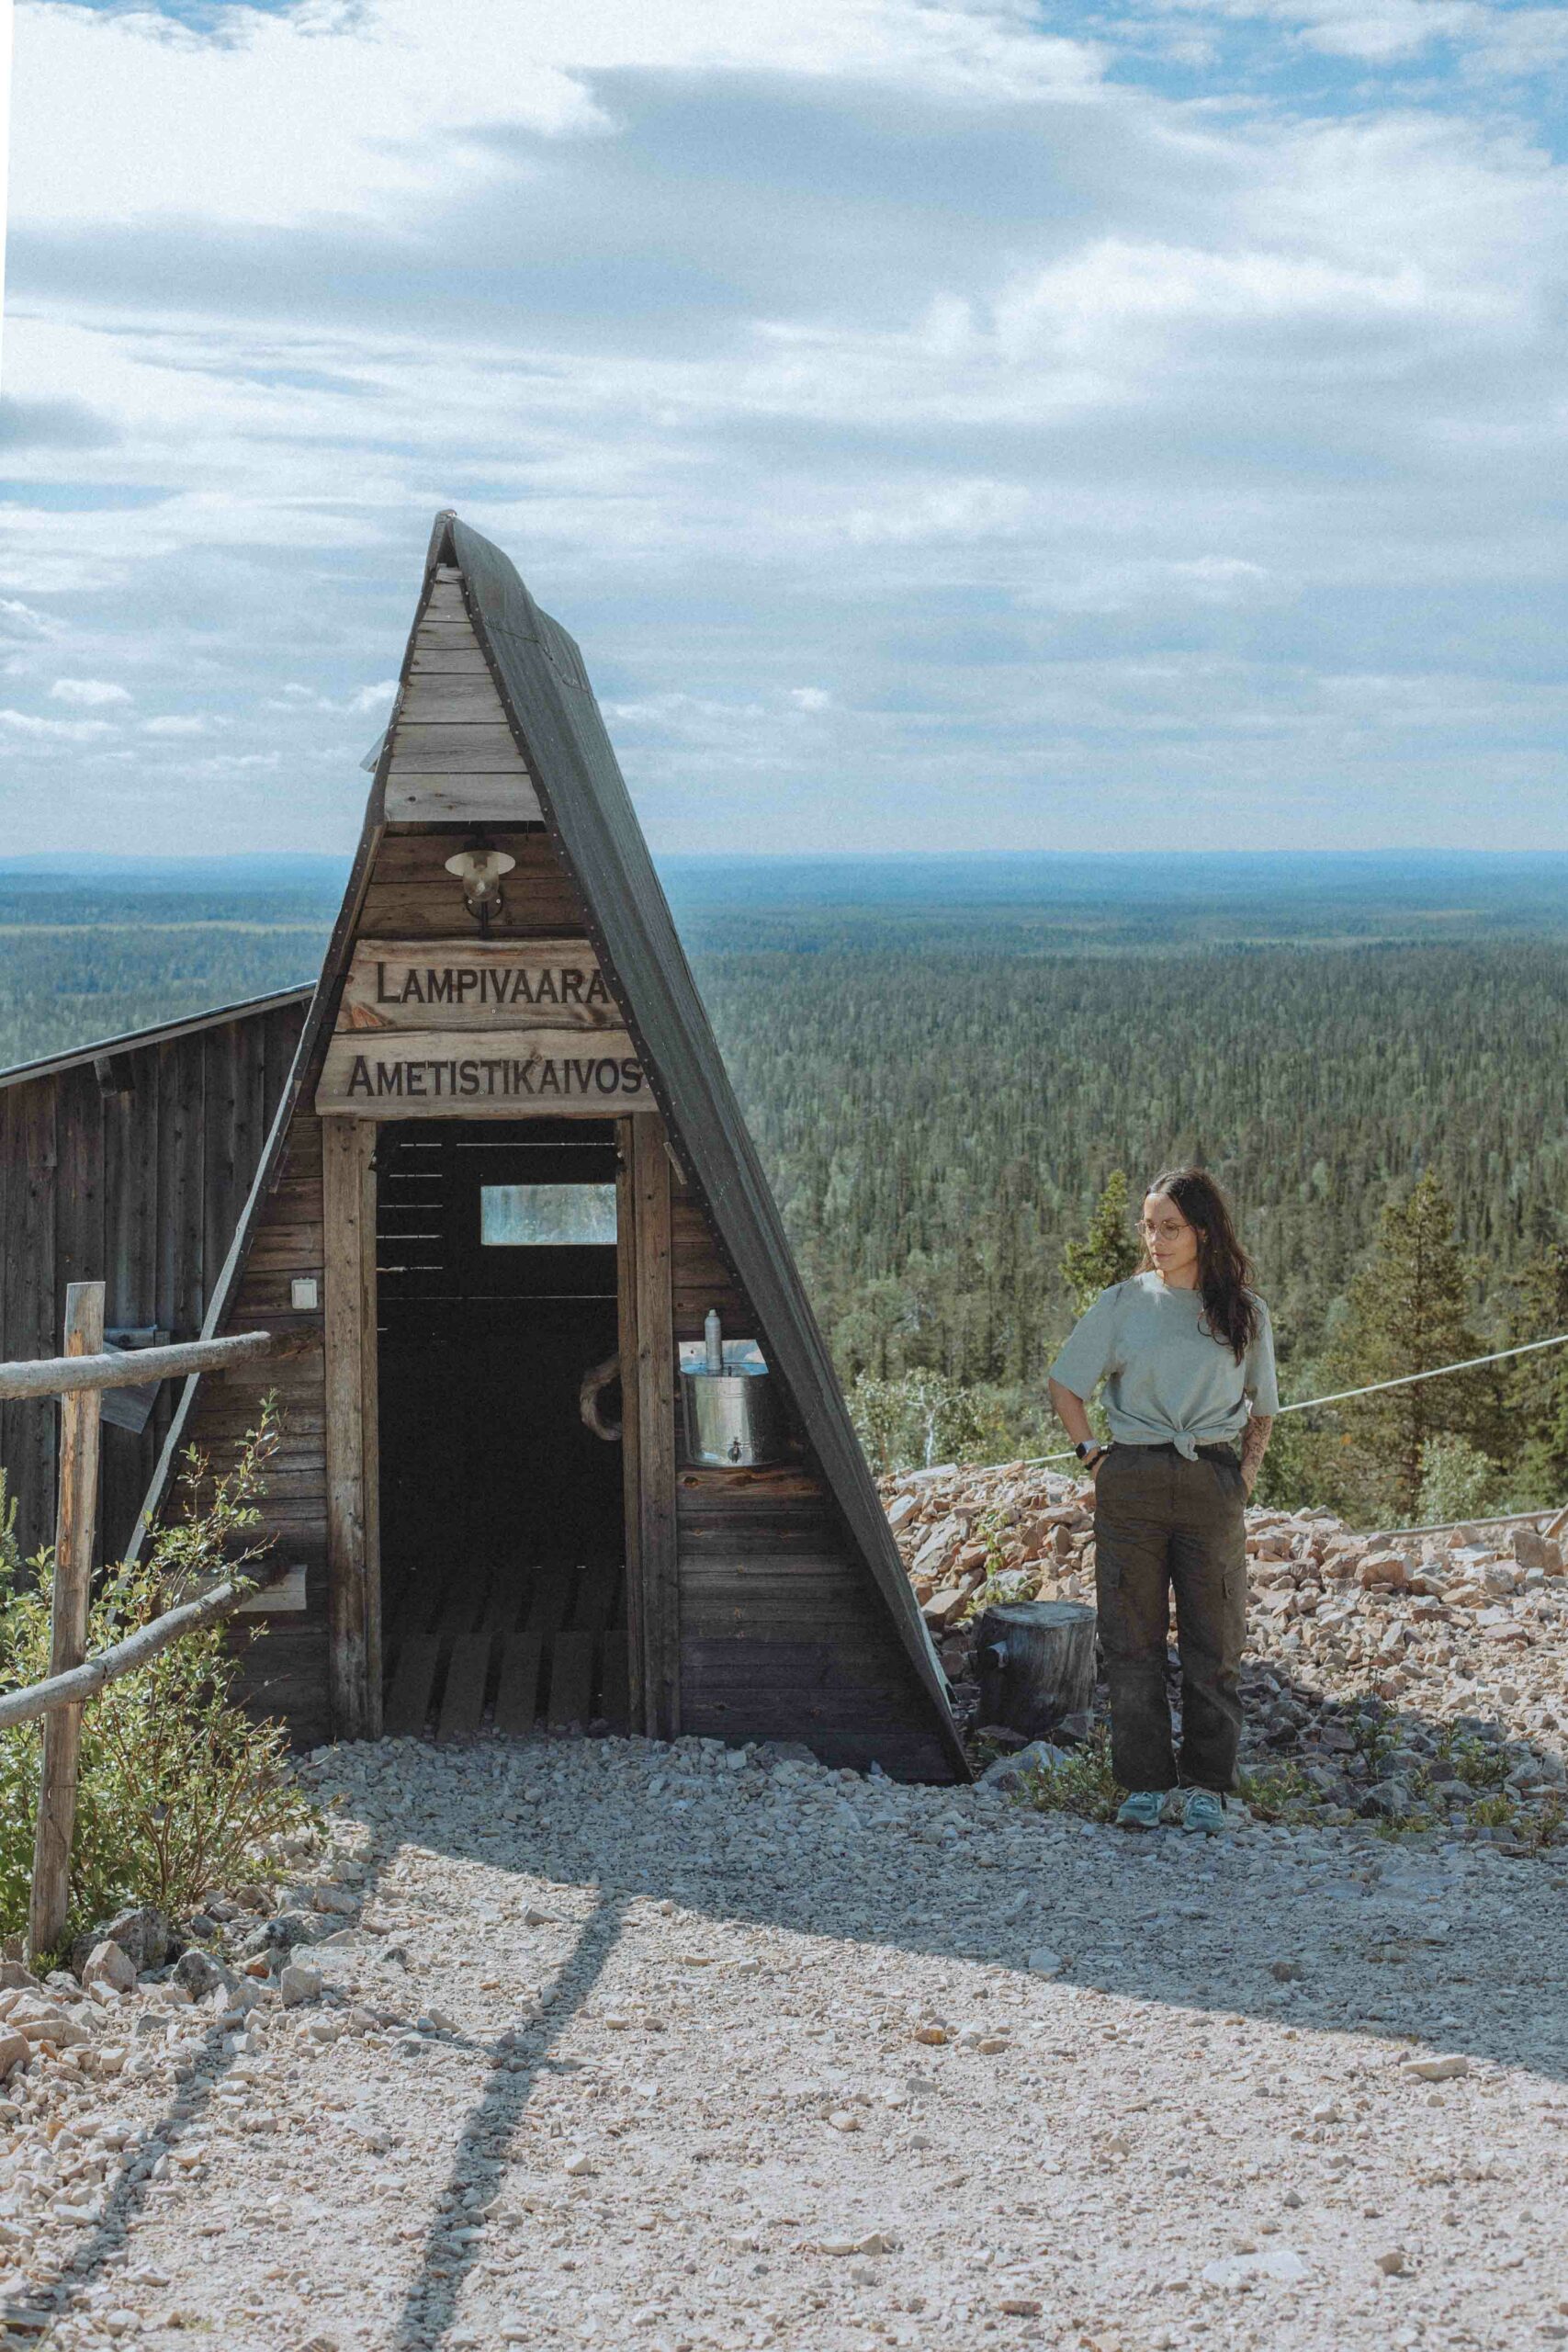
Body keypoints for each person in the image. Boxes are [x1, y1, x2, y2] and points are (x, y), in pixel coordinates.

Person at [1046, 1167, 1278, 1834]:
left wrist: (1243, 1482)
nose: (1155, 1239)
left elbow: (1261, 1410)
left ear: (1202, 1232)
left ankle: (1208, 1786)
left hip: (1211, 1481)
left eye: (1169, 1228)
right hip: (1132, 1479)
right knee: (1130, 1639)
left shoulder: (1243, 1310)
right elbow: (1066, 1385)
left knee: (1215, 1640)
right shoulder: (1123, 1302)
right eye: (1147, 1226)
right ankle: (1143, 1785)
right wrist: (1093, 1457)